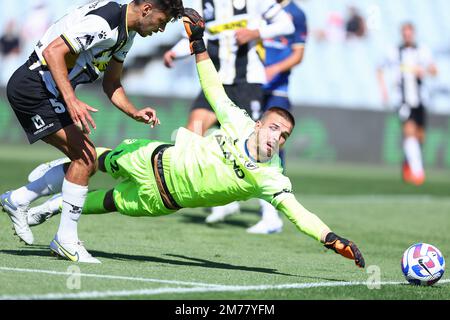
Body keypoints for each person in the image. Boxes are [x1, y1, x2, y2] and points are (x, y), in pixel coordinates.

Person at [19, 9, 365, 269]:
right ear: (259, 124)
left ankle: (53, 207)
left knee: (105, 201)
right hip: (152, 158)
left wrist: (329, 238)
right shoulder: (240, 123)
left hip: (160, 201)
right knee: (92, 160)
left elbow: (299, 214)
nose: (278, 137)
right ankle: (46, 189)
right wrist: (198, 44)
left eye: (285, 135)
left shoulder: (272, 178)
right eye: (274, 128)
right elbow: (214, 88)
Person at [0, 0, 184, 263]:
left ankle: (19, 200)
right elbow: (53, 52)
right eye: (161, 22)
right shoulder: (104, 22)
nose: (161, 30)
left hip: (49, 92)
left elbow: (112, 83)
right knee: (85, 157)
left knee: (86, 160)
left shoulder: (126, 33)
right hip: (33, 87)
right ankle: (65, 240)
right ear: (146, 9)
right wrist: (71, 100)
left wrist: (134, 111)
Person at [164, 0, 295, 224]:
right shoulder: (202, 3)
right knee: (192, 134)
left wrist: (255, 31)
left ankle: (271, 214)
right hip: (215, 84)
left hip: (246, 84)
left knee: (258, 146)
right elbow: (196, 32)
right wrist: (175, 52)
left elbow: (287, 25)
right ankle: (216, 198)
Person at [243, 0, 307, 234]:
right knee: (248, 138)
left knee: (272, 145)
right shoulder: (259, 5)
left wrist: (274, 69)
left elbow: (298, 54)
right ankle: (230, 202)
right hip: (251, 84)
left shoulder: (296, 14)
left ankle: (271, 213)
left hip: (277, 89)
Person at [377, 22, 437, 185]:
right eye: (405, 33)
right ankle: (418, 172)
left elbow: (434, 70)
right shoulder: (394, 51)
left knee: (419, 137)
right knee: (409, 132)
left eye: (410, 33)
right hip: (403, 100)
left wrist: (423, 71)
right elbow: (379, 69)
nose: (407, 36)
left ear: (414, 34)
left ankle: (408, 164)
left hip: (421, 99)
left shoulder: (423, 51)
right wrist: (384, 90)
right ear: (402, 34)